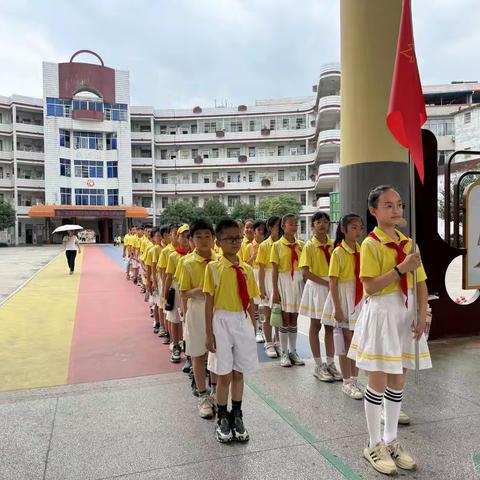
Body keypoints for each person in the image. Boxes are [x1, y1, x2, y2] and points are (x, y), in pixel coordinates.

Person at [347, 185, 432, 475]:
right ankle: (373, 444)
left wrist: (423, 314)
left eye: (399, 205)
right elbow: (369, 287)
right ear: (373, 211)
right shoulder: (370, 244)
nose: (396, 210)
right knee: (378, 380)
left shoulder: (410, 243)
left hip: (405, 316)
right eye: (388, 205)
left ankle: (391, 440)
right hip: (382, 315)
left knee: (398, 380)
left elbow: (420, 282)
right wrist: (401, 267)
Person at [204, 219, 259, 443]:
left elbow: (252, 300)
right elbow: (209, 302)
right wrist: (209, 333)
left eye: (238, 238)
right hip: (222, 322)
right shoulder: (213, 268)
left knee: (239, 372)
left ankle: (237, 414)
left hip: (242, 321)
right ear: (218, 242)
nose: (236, 242)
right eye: (230, 239)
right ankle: (222, 416)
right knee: (224, 373)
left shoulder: (246, 269)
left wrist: (253, 325)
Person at [322, 214, 365, 399]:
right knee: (345, 339)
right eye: (353, 227)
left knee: (356, 341)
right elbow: (333, 282)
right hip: (343, 296)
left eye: (360, 227)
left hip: (358, 296)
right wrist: (337, 307)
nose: (358, 231)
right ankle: (346, 381)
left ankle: (355, 378)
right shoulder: (338, 252)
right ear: (344, 230)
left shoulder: (362, 249)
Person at [179, 219, 217, 419]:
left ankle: (217, 393)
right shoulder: (187, 262)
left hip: (218, 311)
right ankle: (203, 396)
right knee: (198, 354)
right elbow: (184, 292)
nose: (203, 240)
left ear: (213, 239)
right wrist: (202, 291)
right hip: (197, 310)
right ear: (191, 240)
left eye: (207, 236)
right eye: (198, 237)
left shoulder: (219, 260)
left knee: (217, 352)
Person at [298, 212, 337, 379]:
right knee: (315, 325)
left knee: (330, 326)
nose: (322, 224)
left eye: (325, 222)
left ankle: (330, 363)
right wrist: (326, 283)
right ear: (312, 225)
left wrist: (333, 284)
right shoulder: (309, 246)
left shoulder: (334, 244)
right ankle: (318, 365)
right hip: (317, 287)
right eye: (318, 222)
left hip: (331, 286)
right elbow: (305, 272)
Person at [270, 214, 305, 367]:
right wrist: (275, 291)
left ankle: (293, 351)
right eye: (290, 224)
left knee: (294, 318)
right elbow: (274, 270)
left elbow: (304, 268)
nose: (294, 227)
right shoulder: (276, 246)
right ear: (283, 226)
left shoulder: (301, 245)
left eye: (296, 224)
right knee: (285, 318)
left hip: (297, 283)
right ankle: (284, 352)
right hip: (283, 282)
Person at [256, 216, 282, 358]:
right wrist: (261, 288)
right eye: (279, 226)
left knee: (278, 312)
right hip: (268, 279)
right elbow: (261, 269)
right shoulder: (264, 245)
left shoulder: (283, 244)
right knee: (267, 313)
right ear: (271, 228)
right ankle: (269, 343)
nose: (281, 229)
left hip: (280, 279)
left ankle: (278, 341)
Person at [163, 224, 190, 363]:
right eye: (183, 237)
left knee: (188, 319)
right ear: (178, 238)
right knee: (175, 319)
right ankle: (176, 346)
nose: (186, 240)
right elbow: (168, 276)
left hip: (190, 291)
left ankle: (188, 348)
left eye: (188, 237)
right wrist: (165, 294)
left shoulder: (194, 256)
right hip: (177, 288)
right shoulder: (173, 256)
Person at [245, 220, 266, 343]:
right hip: (253, 273)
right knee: (256, 304)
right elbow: (243, 264)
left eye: (263, 230)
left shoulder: (268, 245)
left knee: (264, 304)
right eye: (258, 230)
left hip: (264, 274)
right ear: (254, 232)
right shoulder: (248, 246)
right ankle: (257, 329)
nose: (261, 233)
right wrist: (253, 256)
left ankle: (264, 329)